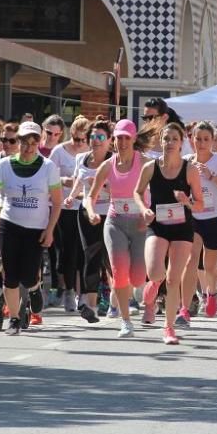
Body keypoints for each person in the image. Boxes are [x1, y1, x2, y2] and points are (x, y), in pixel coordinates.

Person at [0, 121, 63, 336]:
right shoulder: (4, 165)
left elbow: (57, 202)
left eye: (34, 142)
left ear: (39, 143)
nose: (28, 147)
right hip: (10, 224)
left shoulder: (48, 167)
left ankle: (34, 288)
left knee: (28, 275)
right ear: (18, 142)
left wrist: (50, 229)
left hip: (36, 228)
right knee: (10, 276)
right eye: (24, 142)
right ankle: (14, 319)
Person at [84, 119, 153, 338]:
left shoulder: (145, 163)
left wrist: (149, 214)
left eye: (126, 138)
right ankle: (126, 321)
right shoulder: (107, 165)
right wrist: (92, 212)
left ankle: (148, 293)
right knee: (119, 272)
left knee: (138, 278)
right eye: (119, 138)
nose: (122, 142)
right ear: (113, 140)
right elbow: (90, 196)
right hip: (115, 222)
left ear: (133, 139)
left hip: (140, 224)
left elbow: (160, 192)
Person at [137, 122, 204, 344]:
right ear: (161, 141)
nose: (170, 143)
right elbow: (137, 193)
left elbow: (200, 205)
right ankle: (154, 287)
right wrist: (144, 209)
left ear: (181, 143)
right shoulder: (151, 167)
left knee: (174, 278)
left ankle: (169, 328)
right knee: (156, 272)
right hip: (157, 225)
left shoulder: (190, 169)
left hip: (182, 228)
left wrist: (187, 201)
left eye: (174, 139)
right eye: (166, 139)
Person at [64, 119, 113, 323]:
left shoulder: (114, 161)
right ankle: (90, 306)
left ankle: (115, 302)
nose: (96, 141)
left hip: (111, 213)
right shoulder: (82, 158)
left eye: (101, 137)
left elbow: (121, 191)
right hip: (86, 213)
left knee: (111, 260)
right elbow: (78, 181)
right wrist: (71, 196)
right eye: (92, 137)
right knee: (90, 255)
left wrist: (101, 186)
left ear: (109, 140)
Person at [184, 121, 217, 318]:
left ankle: (212, 293)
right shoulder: (186, 160)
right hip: (193, 217)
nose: (202, 143)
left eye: (206, 139)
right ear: (192, 139)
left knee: (210, 266)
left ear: (212, 141)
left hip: (215, 217)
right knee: (192, 260)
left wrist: (210, 175)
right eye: (198, 139)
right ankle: (191, 301)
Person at [50, 116, 90, 312]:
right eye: (76, 139)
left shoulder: (91, 152)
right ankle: (68, 291)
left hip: (84, 206)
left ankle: (83, 293)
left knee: (84, 252)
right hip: (64, 207)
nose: (80, 143)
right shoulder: (59, 151)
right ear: (71, 135)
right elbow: (48, 174)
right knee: (67, 252)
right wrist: (64, 180)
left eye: (84, 140)